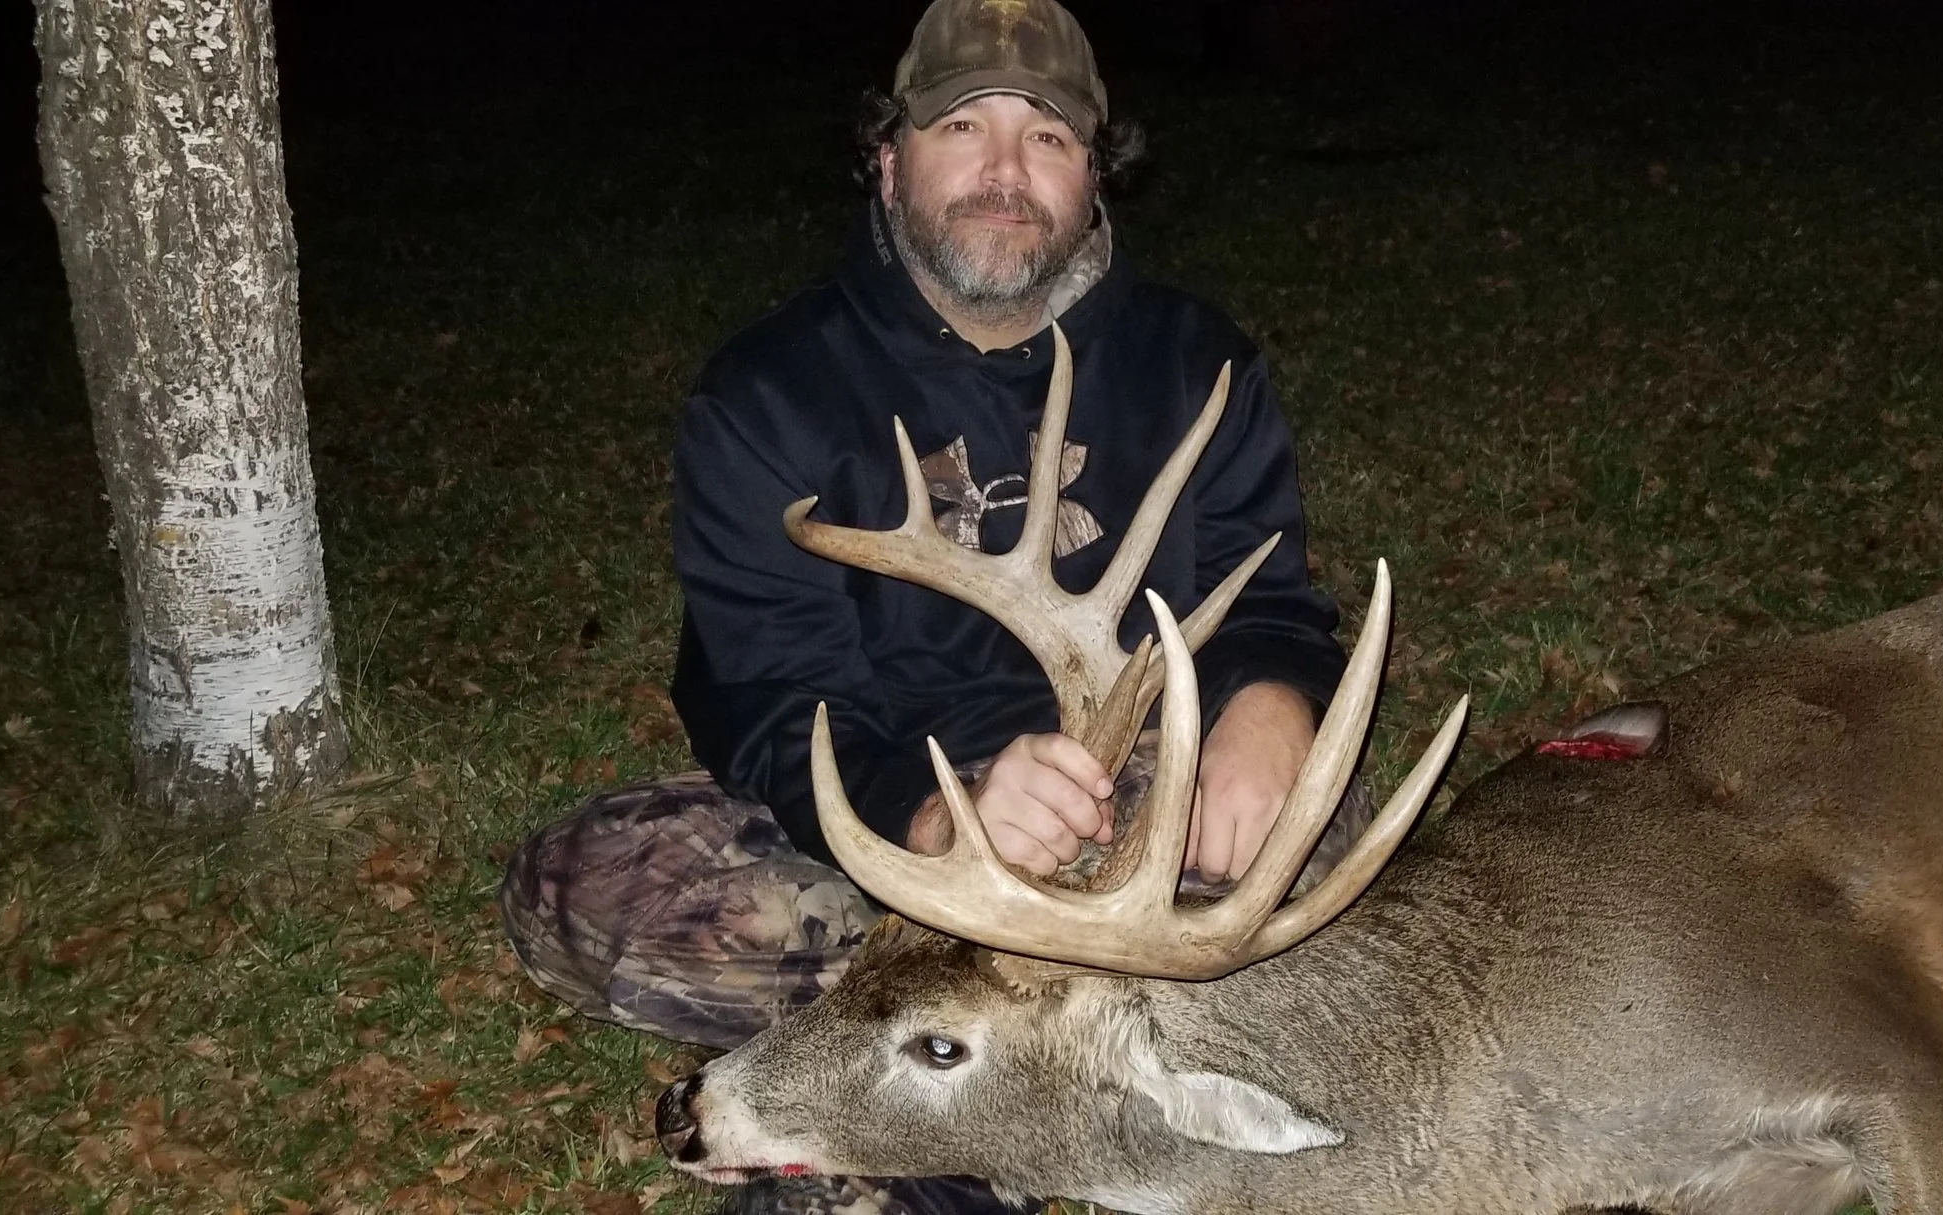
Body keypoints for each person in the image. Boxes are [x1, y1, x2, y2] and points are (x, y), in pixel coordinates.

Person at [498, 1, 1370, 1211]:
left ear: (1096, 177)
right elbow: (769, 699)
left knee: (1294, 870)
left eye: (1049, 139)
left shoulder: (1194, 363)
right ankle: (997, 1055)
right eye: (963, 126)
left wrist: (1270, 710)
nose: (1004, 174)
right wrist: (923, 818)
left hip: (1135, 817)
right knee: (574, 882)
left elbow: (1269, 599)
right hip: (889, 837)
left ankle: (943, 1073)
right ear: (889, 155)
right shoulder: (771, 393)